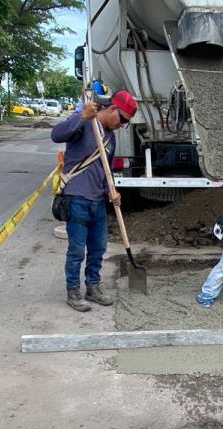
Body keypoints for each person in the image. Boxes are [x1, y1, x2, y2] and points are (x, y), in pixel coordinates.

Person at [50, 90, 138, 312]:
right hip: (77, 197)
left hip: (97, 200)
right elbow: (56, 134)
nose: (122, 125)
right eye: (123, 120)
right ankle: (73, 291)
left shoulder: (110, 137)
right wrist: (81, 117)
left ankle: (93, 287)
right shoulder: (84, 122)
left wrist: (112, 191)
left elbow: (104, 170)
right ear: (112, 109)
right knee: (77, 250)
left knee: (98, 248)